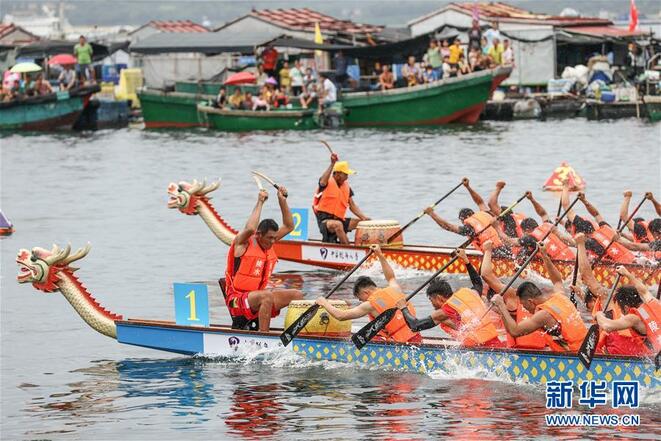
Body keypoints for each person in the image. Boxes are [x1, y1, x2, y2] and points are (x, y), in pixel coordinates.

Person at [224, 187, 303, 331]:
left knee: (297, 295)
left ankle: (296, 333)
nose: (273, 241)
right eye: (270, 238)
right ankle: (264, 337)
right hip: (236, 301)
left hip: (257, 297)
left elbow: (289, 226)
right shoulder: (243, 243)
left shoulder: (269, 242)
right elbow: (250, 228)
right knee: (266, 296)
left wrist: (282, 200)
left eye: (275, 238)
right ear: (259, 234)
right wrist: (260, 201)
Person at [490, 242, 588, 352]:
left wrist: (501, 305)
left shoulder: (544, 315)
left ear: (530, 301)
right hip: (586, 350)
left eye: (524, 306)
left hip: (573, 357)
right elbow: (557, 281)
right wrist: (544, 255)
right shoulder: (560, 296)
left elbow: (515, 331)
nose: (526, 310)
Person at [398, 249, 507, 348]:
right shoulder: (469, 293)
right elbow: (478, 283)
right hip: (497, 342)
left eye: (431, 301)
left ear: (438, 298)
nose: (432, 305)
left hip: (481, 348)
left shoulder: (444, 312)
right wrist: (466, 261)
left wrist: (403, 308)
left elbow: (415, 326)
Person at [316, 245, 421, 344]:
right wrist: (380, 254)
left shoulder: (370, 305)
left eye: (360, 298)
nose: (361, 301)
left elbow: (341, 316)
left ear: (365, 292)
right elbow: (391, 277)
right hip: (417, 338)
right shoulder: (394, 289)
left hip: (401, 344)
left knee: (370, 336)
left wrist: (324, 303)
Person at [573, 234, 651, 356]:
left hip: (616, 361)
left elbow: (586, 276)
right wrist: (581, 295)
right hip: (640, 358)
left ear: (624, 306)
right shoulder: (648, 309)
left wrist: (580, 245)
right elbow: (643, 290)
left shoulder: (609, 300)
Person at [480, 240, 546, 349]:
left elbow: (486, 275)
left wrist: (488, 250)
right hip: (542, 349)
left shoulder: (513, 296)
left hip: (521, 352)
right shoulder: (546, 299)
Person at [424, 178, 509, 256]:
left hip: (495, 254)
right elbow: (480, 202)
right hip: (507, 247)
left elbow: (448, 227)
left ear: (467, 217)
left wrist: (432, 214)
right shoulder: (486, 213)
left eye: (461, 220)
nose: (463, 223)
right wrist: (468, 187)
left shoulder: (470, 227)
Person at [594, 265, 661, 353]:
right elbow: (643, 290)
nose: (621, 312)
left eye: (621, 310)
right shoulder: (654, 303)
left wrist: (598, 315)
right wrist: (627, 273)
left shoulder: (633, 318)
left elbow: (607, 326)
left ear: (626, 308)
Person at [313, 152, 369, 244]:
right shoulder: (326, 182)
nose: (347, 177)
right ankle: (348, 250)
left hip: (339, 220)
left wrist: (364, 218)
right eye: (346, 174)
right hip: (325, 222)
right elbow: (322, 181)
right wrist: (332, 164)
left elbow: (353, 206)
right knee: (338, 225)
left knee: (365, 223)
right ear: (338, 174)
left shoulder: (346, 187)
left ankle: (365, 246)